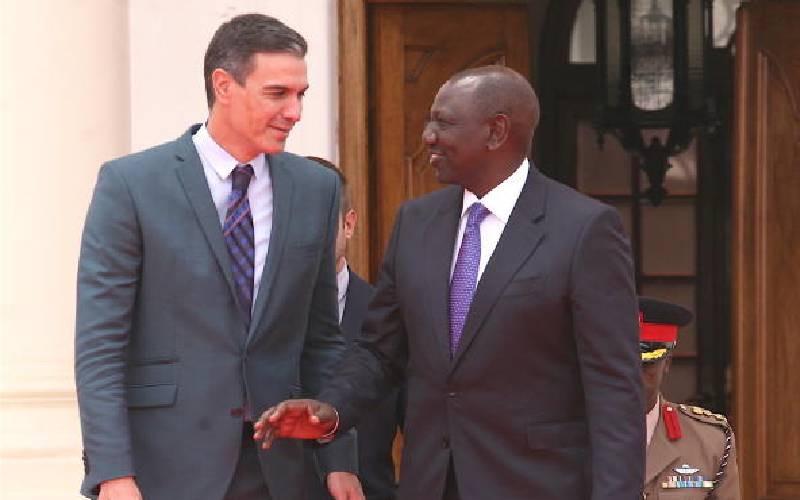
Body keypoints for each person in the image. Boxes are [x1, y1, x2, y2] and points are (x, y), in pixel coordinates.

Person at [255, 65, 644, 499]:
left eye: (444, 122)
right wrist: (331, 409)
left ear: (496, 131)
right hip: (432, 484)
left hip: (536, 485)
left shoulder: (583, 229)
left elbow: (614, 391)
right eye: (429, 122)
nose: (428, 137)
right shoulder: (415, 222)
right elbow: (380, 351)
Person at [75, 13, 363, 500]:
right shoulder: (131, 185)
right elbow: (101, 346)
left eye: (301, 95)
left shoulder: (317, 190)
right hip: (165, 469)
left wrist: (338, 458)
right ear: (224, 85)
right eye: (278, 93)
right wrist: (111, 473)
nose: (294, 111)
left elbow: (322, 341)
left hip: (284, 471)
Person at [305, 157, 404, 500]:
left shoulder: (393, 318)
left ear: (348, 224)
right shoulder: (250, 321)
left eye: (316, 222)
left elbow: (426, 437)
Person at [638, 297, 740, 499]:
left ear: (667, 362)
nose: (631, 373)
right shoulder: (568, 437)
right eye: (619, 363)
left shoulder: (709, 441)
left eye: (645, 363)